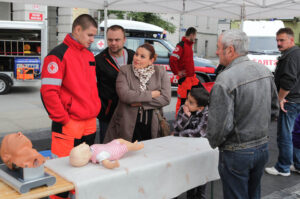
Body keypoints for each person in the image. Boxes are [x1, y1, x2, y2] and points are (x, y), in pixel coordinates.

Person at [206, 30, 279, 199]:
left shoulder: (225, 79)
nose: (216, 52)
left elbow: (220, 126)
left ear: (230, 50)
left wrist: (214, 142)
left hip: (237, 153)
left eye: (218, 48)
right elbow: (274, 109)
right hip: (261, 148)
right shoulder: (264, 71)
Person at [40, 14, 100, 199]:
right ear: (77, 30)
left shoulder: (89, 54)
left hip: (89, 122)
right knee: (61, 176)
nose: (93, 40)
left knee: (83, 173)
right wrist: (63, 119)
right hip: (69, 124)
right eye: (90, 35)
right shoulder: (57, 55)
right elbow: (49, 92)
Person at [104, 43, 171, 143]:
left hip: (152, 125)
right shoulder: (125, 70)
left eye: (142, 56)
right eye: (136, 54)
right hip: (127, 124)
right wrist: (151, 94)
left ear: (151, 60)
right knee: (126, 155)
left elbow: (166, 98)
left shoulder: (160, 72)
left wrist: (140, 103)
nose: (137, 58)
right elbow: (125, 95)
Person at [265, 28, 300, 176]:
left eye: (282, 40)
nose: (278, 43)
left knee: (285, 135)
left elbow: (289, 80)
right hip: (296, 99)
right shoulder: (296, 53)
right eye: (277, 40)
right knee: (295, 133)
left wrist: (280, 98)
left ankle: (283, 167)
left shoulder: (291, 56)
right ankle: (297, 164)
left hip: (290, 101)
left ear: (291, 40)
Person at [95, 25, 135, 143]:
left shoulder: (134, 56)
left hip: (130, 112)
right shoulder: (99, 60)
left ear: (124, 40)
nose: (113, 43)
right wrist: (101, 107)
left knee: (128, 147)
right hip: (108, 114)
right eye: (110, 40)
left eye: (117, 40)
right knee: (107, 148)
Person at [173, 87, 209, 199]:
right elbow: (176, 127)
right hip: (183, 151)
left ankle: (199, 196)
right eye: (187, 99)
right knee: (186, 178)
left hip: (201, 152)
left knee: (200, 179)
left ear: (200, 107)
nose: (186, 103)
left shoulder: (207, 113)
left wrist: (179, 135)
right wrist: (185, 116)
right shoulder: (184, 109)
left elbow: (198, 133)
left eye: (191, 102)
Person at [169, 27, 202, 114]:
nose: (195, 38)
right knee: (182, 102)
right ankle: (178, 121)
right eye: (195, 36)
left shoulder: (188, 45)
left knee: (200, 95)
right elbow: (172, 60)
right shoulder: (181, 45)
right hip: (185, 80)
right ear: (191, 35)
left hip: (192, 78)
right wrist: (177, 72)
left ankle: (191, 117)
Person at [69, 139, 144, 169]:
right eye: (81, 147)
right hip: (116, 151)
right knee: (126, 147)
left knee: (120, 140)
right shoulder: (99, 156)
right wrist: (114, 165)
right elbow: (107, 164)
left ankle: (132, 144)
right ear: (85, 156)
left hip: (110, 145)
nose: (82, 144)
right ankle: (136, 147)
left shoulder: (91, 148)